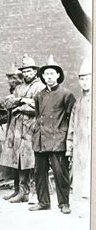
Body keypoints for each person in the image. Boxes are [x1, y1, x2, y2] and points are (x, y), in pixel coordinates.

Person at [29, 55, 75, 214]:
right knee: (39, 173)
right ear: (42, 76)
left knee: (60, 174)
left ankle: (64, 204)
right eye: (46, 74)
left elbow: (71, 119)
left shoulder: (66, 94)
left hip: (57, 140)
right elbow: (37, 116)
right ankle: (43, 202)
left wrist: (68, 141)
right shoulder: (39, 96)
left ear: (57, 76)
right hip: (41, 139)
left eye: (51, 73)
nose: (49, 76)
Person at [0, 54, 45, 203]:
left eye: (29, 71)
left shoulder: (40, 87)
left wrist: (20, 108)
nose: (26, 74)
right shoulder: (18, 87)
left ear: (35, 72)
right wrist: (21, 100)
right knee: (16, 159)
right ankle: (18, 190)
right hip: (16, 128)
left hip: (30, 128)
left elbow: (38, 107)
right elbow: (7, 103)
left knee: (28, 160)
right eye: (24, 71)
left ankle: (28, 192)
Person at [66, 59, 91, 200]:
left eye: (87, 79)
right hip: (81, 145)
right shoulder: (78, 103)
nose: (85, 82)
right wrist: (69, 147)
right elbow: (72, 127)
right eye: (82, 79)